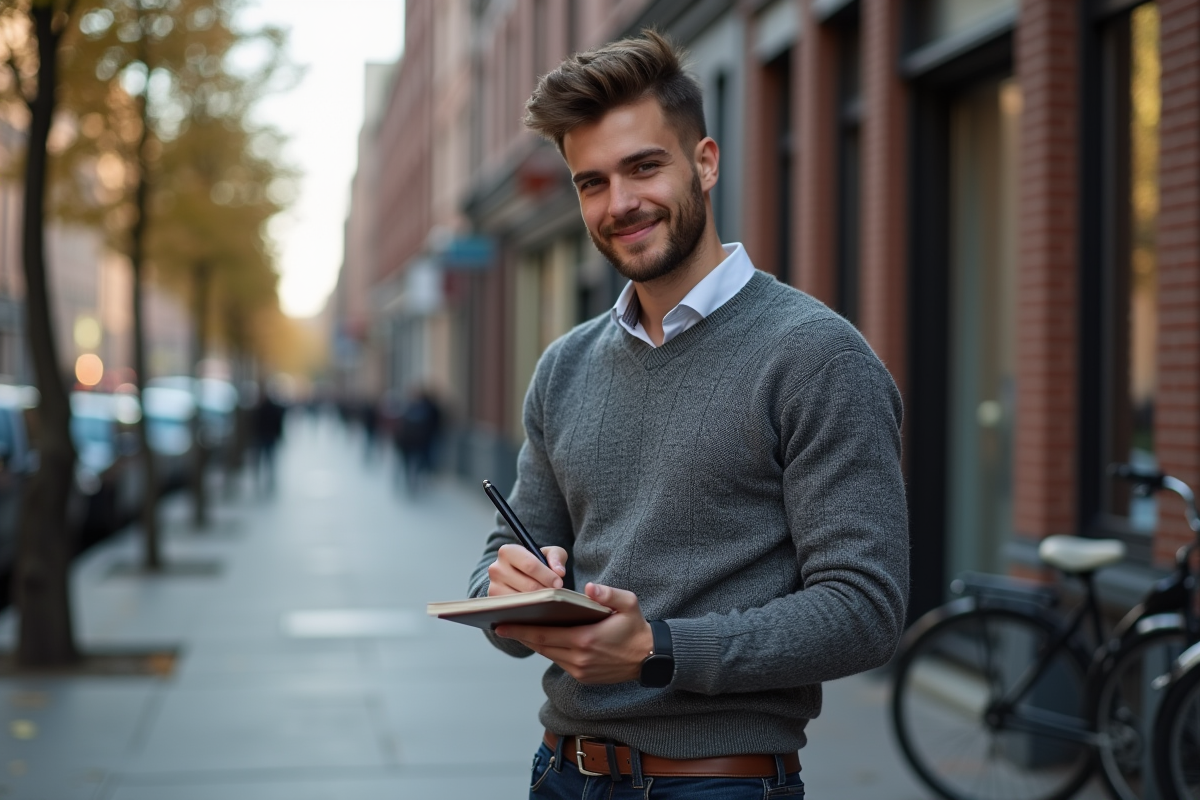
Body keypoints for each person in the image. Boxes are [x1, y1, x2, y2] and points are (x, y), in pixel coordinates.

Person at [468, 31, 908, 799]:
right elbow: (510, 547)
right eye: (592, 182)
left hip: (717, 783)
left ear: (705, 161)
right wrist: (505, 590)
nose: (620, 204)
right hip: (560, 773)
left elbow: (864, 609)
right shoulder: (563, 366)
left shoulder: (815, 356)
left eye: (644, 167)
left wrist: (658, 648)